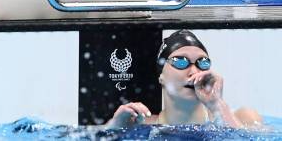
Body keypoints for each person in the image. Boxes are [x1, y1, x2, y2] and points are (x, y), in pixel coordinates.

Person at [108, 30, 262, 129]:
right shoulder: (141, 126)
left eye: (203, 63)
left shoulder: (245, 118)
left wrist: (218, 106)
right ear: (161, 76)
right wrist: (113, 128)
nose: (194, 71)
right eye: (181, 61)